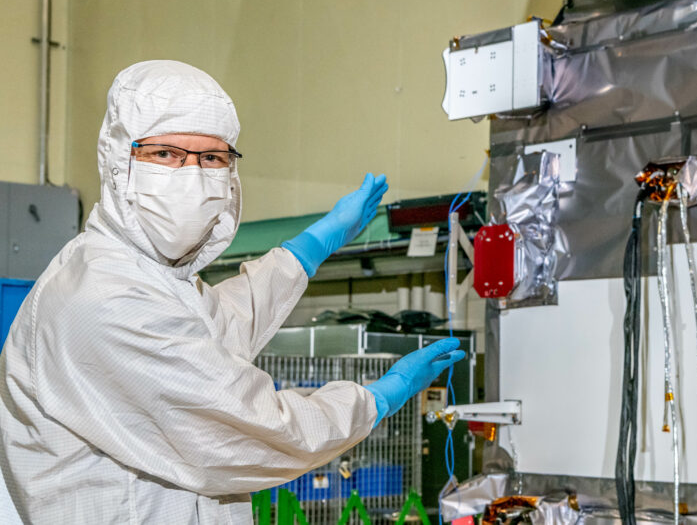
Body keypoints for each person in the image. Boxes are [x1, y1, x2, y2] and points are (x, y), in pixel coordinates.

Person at [0, 60, 464, 523]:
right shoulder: (100, 295)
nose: (193, 174)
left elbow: (219, 325)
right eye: (165, 154)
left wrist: (308, 249)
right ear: (121, 160)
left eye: (212, 158)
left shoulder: (156, 280)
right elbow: (252, 428)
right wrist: (376, 400)